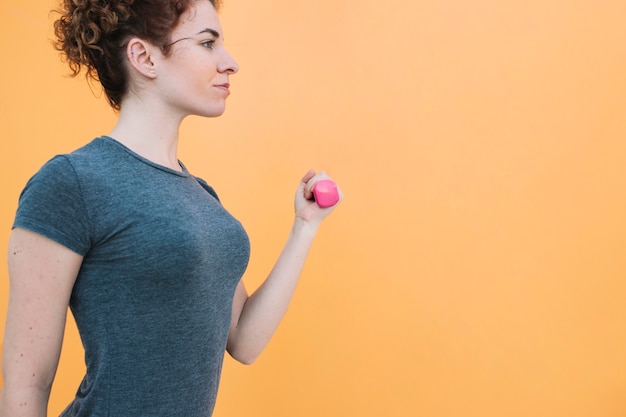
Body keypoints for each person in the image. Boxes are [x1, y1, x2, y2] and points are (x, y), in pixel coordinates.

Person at [0, 0, 342, 415]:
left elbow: (245, 342)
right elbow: (26, 384)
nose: (230, 62)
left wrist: (303, 227)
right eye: (207, 43)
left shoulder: (203, 198)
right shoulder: (71, 183)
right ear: (144, 57)